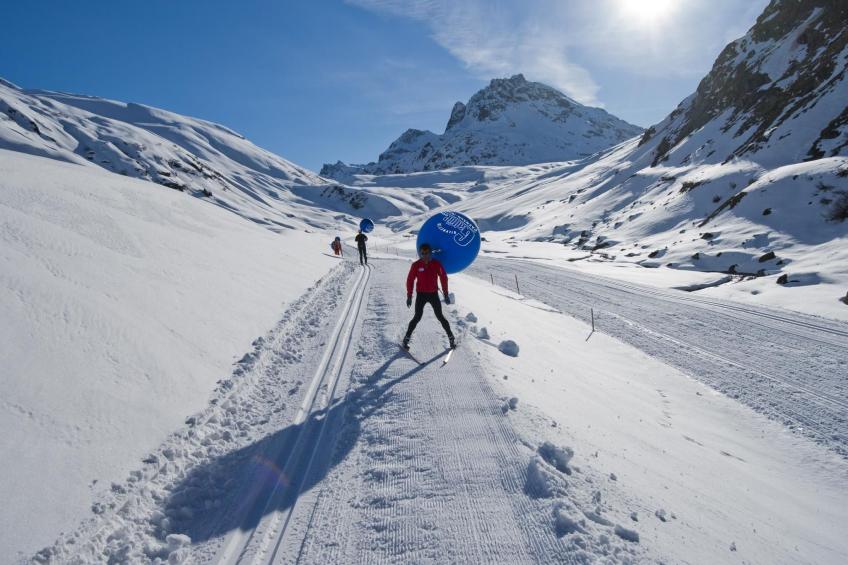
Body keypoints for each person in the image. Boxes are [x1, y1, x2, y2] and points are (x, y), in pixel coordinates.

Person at [403, 243, 455, 350]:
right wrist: (409, 295)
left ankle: (451, 338)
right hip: (421, 295)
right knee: (417, 317)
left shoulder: (436, 264)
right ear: (420, 254)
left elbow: (443, 277)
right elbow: (410, 280)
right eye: (423, 253)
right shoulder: (416, 265)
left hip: (433, 294)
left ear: (430, 253)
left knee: (440, 316)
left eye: (427, 253)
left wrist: (445, 293)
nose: (425, 255)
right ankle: (406, 339)